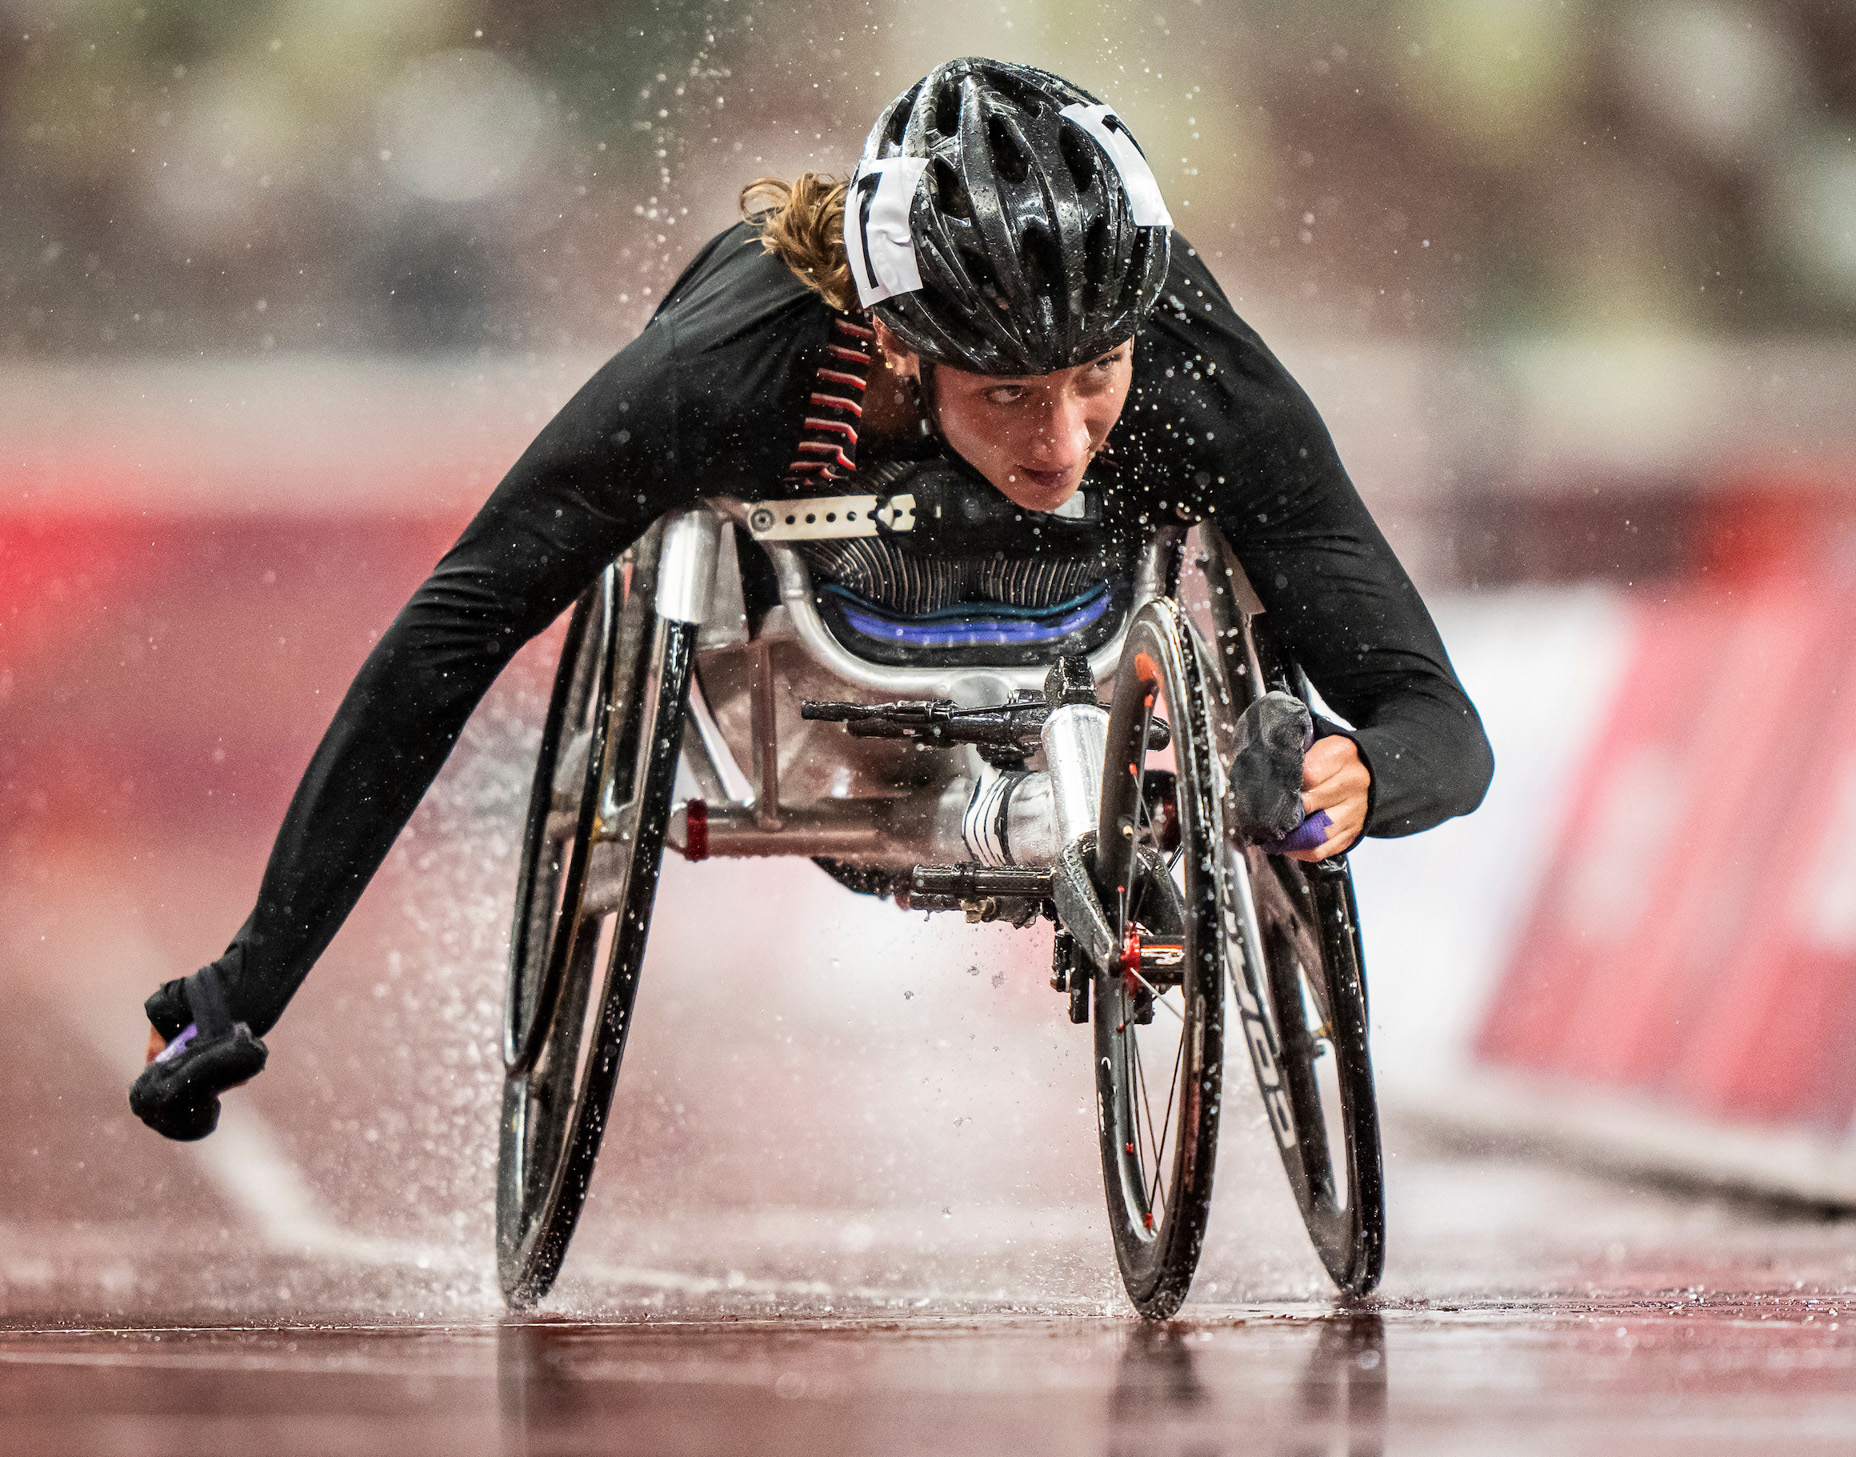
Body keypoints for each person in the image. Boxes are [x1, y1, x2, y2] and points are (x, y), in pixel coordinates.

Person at [131, 57, 1493, 1142]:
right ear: (902, 338)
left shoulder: (1192, 363)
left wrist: (1349, 775)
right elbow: (453, 629)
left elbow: (1436, 718)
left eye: (1095, 378)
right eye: (1009, 391)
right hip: (800, 599)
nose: (1066, 437)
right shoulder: (725, 368)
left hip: (1072, 605)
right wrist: (248, 982)